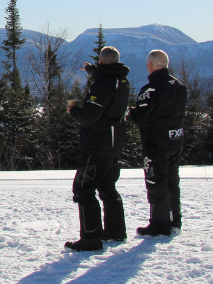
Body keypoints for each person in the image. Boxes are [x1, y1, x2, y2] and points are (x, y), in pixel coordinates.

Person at [65, 46, 131, 251]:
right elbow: (109, 80)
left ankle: (91, 238)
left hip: (96, 144)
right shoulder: (123, 81)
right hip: (114, 142)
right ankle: (115, 231)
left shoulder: (101, 85)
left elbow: (89, 117)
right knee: (107, 186)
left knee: (83, 189)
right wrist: (95, 71)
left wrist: (74, 110)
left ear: (102, 62)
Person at [128, 49, 187, 236]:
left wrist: (129, 112)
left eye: (147, 64)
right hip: (175, 138)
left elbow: (140, 116)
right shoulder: (179, 86)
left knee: (156, 180)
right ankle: (174, 220)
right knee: (172, 180)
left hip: (157, 141)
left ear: (151, 65)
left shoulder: (151, 89)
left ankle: (160, 223)